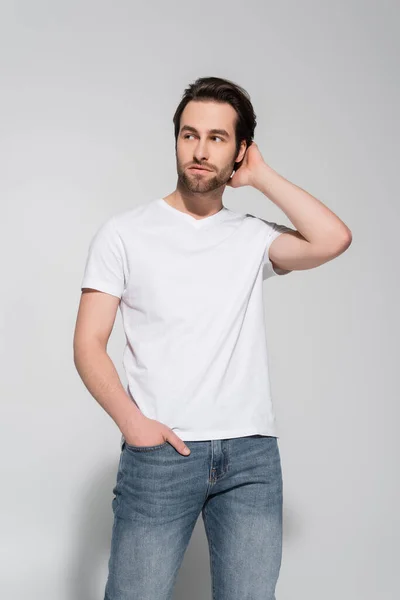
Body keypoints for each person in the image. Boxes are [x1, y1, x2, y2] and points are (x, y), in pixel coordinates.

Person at [73, 76, 352, 600]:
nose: (199, 151)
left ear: (240, 149)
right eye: (188, 135)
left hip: (250, 457)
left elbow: (333, 239)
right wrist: (134, 424)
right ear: (176, 139)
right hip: (161, 454)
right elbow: (89, 341)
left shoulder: (253, 236)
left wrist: (263, 176)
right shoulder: (124, 233)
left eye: (218, 138)